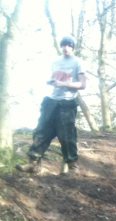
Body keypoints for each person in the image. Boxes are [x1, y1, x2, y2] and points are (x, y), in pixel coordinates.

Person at [17, 36, 86, 175]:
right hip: (51, 100)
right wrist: (51, 82)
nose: (66, 48)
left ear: (73, 47)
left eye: (69, 45)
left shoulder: (78, 62)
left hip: (67, 103)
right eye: (64, 45)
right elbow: (53, 79)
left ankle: (73, 167)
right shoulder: (55, 62)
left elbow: (82, 84)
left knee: (66, 135)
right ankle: (33, 164)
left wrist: (64, 84)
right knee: (41, 132)